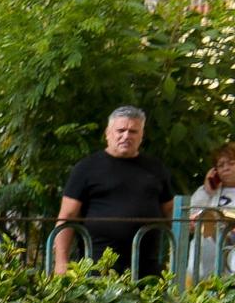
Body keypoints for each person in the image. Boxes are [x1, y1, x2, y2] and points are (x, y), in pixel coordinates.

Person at [52, 106, 176, 277]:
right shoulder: (86, 168)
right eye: (121, 130)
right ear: (108, 133)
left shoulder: (156, 168)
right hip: (98, 268)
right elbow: (67, 216)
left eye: (133, 131)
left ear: (141, 136)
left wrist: (187, 226)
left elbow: (170, 211)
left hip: (146, 269)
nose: (126, 136)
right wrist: (61, 262)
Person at [187, 141, 235, 280]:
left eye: (231, 163)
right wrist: (207, 190)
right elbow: (188, 216)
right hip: (207, 256)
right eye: (220, 165)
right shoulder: (207, 192)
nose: (226, 168)